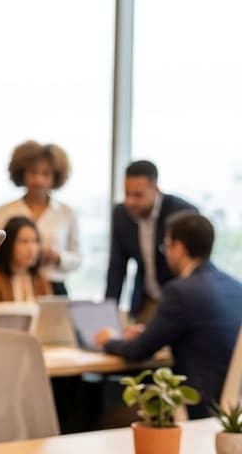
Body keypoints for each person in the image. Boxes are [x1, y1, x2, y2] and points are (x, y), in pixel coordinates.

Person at [95, 212, 242, 416]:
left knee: (105, 414)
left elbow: (138, 351)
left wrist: (109, 340)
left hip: (196, 406)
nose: (166, 253)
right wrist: (148, 333)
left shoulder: (180, 291)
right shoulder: (236, 288)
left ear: (179, 248)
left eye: (167, 246)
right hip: (231, 410)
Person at [105, 159, 196, 321]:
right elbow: (116, 268)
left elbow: (192, 266)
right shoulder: (121, 215)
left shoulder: (183, 213)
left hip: (180, 300)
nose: (130, 201)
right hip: (146, 300)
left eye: (138, 195)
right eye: (127, 193)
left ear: (156, 190)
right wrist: (107, 314)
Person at [0, 140, 79, 296]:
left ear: (55, 177)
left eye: (46, 174)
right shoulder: (6, 211)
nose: (38, 180)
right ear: (22, 173)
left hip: (55, 285)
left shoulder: (66, 213)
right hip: (14, 286)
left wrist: (57, 257)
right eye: (32, 172)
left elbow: (77, 258)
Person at [0, 216, 53, 303]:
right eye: (24, 241)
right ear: (9, 244)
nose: (31, 249)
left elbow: (49, 314)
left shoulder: (41, 279)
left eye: (35, 241)